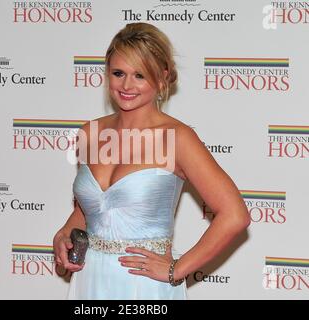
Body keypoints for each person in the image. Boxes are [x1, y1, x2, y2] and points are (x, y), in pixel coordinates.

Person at [53, 22, 250, 300]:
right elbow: (94, 208)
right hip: (89, 279)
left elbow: (235, 215)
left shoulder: (177, 138)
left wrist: (176, 270)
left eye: (140, 75)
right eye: (118, 73)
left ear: (162, 78)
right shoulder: (91, 133)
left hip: (143, 286)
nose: (126, 85)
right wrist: (64, 232)